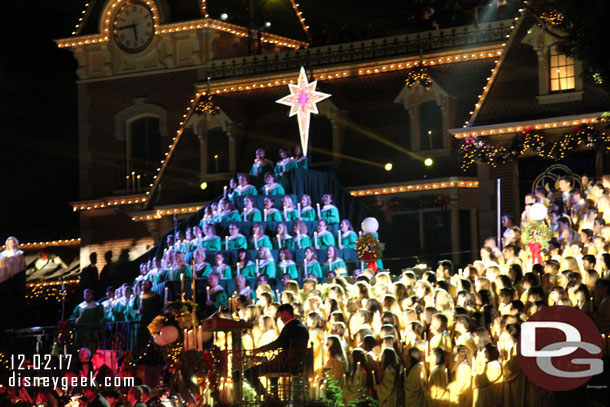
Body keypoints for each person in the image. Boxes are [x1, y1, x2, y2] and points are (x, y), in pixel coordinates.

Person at [244, 304, 309, 401]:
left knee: (249, 372)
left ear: (286, 313)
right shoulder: (303, 328)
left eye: (281, 315)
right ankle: (275, 397)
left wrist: (260, 349)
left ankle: (266, 397)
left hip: (284, 364)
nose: (280, 318)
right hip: (297, 364)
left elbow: (278, 343)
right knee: (272, 373)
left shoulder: (290, 327)